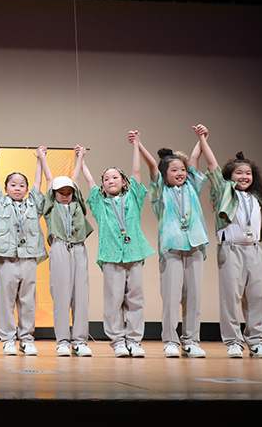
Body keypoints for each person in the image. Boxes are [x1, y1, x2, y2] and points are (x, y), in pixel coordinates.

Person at [196, 124, 262, 358]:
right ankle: (233, 342)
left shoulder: (258, 196)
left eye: (248, 173)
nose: (244, 177)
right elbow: (212, 165)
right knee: (230, 298)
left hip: (253, 250)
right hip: (231, 249)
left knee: (257, 297)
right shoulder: (224, 191)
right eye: (239, 173)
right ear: (230, 176)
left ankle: (256, 341)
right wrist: (203, 139)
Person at [78, 133, 154, 358]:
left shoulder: (133, 198)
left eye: (115, 177)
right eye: (106, 179)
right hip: (111, 256)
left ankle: (134, 341)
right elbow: (89, 182)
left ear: (123, 182)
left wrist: (136, 145)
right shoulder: (99, 203)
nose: (110, 181)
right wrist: (81, 159)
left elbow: (137, 172)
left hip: (134, 253)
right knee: (113, 300)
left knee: (136, 299)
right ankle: (118, 341)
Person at [137, 133, 209, 358]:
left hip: (195, 245)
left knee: (193, 297)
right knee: (171, 297)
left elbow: (195, 158)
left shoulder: (192, 186)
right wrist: (139, 144)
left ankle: (191, 341)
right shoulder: (159, 191)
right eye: (174, 170)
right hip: (171, 248)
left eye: (182, 169)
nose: (180, 173)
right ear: (164, 174)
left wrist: (201, 138)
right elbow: (151, 166)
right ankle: (170, 341)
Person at [0, 146, 49, 356]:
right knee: (6, 301)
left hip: (29, 257)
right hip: (7, 258)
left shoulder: (33, 204)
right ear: (6, 188)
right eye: (13, 184)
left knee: (28, 301)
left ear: (27, 189)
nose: (18, 188)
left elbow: (39, 182)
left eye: (22, 185)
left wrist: (40, 159)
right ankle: (8, 340)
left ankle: (27, 339)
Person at [43, 148, 94, 357]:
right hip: (59, 246)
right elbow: (49, 180)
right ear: (54, 194)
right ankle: (62, 341)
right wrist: (42, 158)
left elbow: (76, 180)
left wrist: (79, 157)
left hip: (79, 248)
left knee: (81, 296)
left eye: (68, 193)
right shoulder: (50, 207)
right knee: (61, 296)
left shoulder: (77, 205)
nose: (65, 196)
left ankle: (80, 341)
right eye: (60, 193)